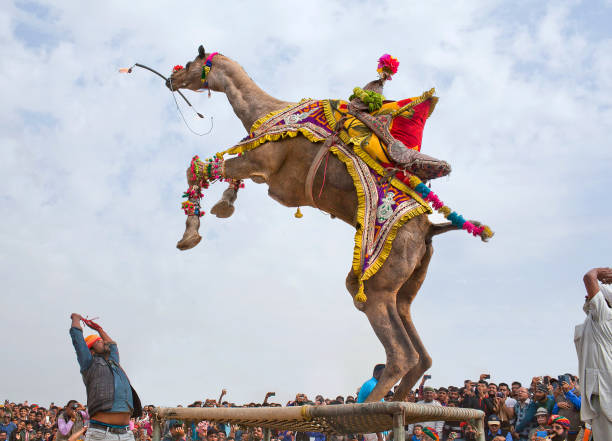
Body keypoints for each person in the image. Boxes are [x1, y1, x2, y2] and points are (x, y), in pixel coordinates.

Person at [69, 313, 142, 441]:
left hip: (126, 434)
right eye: (98, 341)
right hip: (101, 434)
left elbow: (112, 345)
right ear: (91, 350)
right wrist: (76, 318)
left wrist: (99, 330)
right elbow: (77, 339)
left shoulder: (114, 362)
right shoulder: (89, 363)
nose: (103, 342)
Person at [574, 267, 612, 441]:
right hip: (598, 391)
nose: (587, 296)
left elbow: (589, 277)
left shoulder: (604, 317)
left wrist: (600, 272)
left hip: (604, 393)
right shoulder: (594, 320)